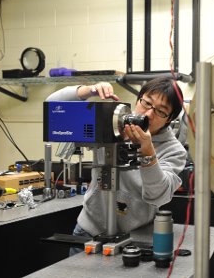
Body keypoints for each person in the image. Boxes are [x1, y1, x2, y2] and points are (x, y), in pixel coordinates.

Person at [45, 78, 187, 254]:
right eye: (147, 103)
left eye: (161, 111)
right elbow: (51, 107)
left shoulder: (174, 150)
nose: (149, 114)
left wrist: (148, 154)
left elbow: (158, 195)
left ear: (170, 119)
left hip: (136, 238)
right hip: (88, 231)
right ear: (138, 99)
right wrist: (89, 90)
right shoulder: (112, 124)